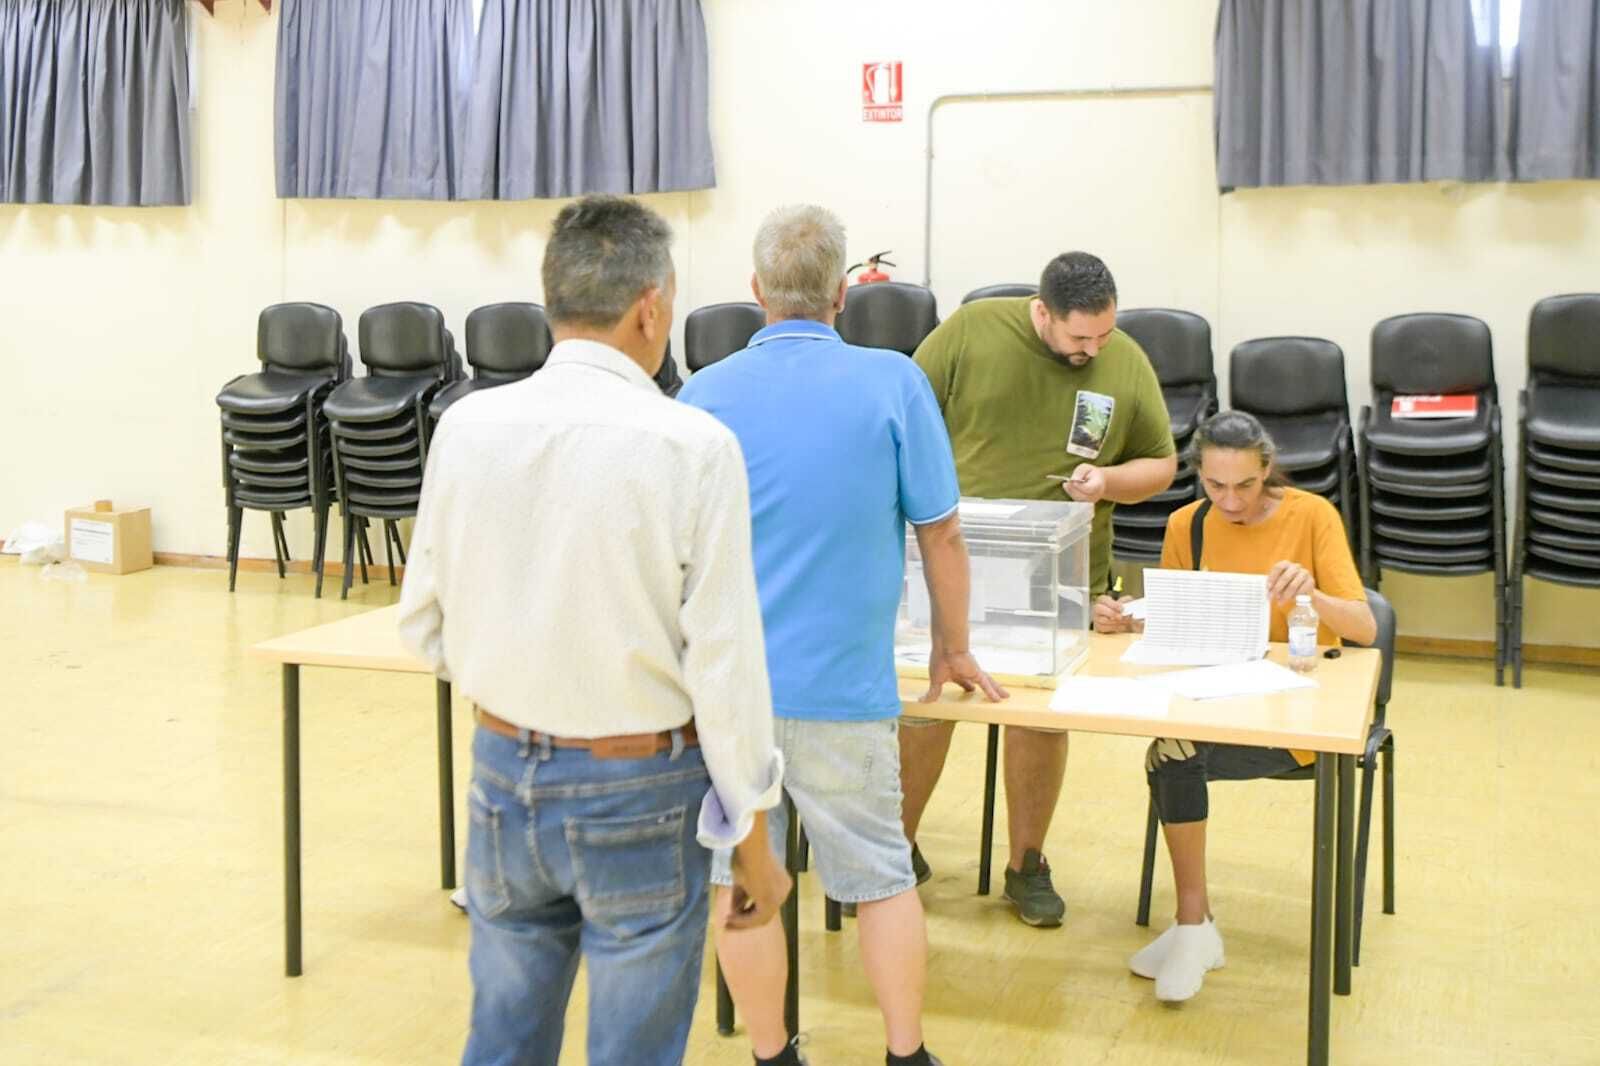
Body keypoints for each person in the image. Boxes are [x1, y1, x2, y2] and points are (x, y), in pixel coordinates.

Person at [398, 195, 790, 1066]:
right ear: (652, 306)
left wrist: (520, 676)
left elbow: (422, 622)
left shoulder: (466, 428)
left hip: (501, 773)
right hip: (642, 787)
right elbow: (724, 665)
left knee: (502, 1035)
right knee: (634, 1048)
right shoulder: (693, 445)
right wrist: (755, 841)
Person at [680, 204, 1005, 1066]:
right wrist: (953, 644)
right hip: (847, 693)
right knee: (881, 878)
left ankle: (771, 1054)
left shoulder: (700, 395)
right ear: (842, 295)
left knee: (740, 880)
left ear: (755, 292)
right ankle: (905, 1054)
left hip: (730, 697)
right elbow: (941, 531)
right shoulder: (892, 382)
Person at [900, 252, 1177, 928]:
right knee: (926, 705)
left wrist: (1108, 483)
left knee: (1038, 719)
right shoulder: (971, 331)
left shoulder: (1125, 359)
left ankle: (1028, 864)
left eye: (1103, 336)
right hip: (958, 562)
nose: (1092, 350)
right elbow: (905, 412)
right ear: (1041, 313)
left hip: (1063, 571)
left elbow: (1162, 463)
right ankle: (894, 852)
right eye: (1079, 337)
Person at [1094, 410, 1376, 1003]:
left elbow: (1365, 630)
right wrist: (1126, 618)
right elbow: (1173, 619)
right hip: (1217, 700)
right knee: (1171, 750)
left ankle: (1194, 930)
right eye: (1216, 486)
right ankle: (1195, 925)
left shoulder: (1312, 516)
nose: (1229, 500)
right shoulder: (1186, 525)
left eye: (1244, 485)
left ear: (1266, 470)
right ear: (1200, 475)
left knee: (1171, 755)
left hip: (1301, 718)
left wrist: (1312, 593)